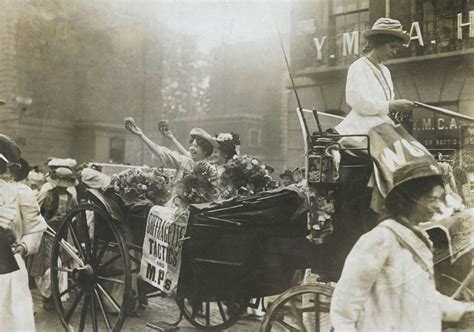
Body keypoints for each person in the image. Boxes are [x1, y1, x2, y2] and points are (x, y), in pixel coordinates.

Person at [330, 161, 473, 331]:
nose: (437, 205)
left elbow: (423, 297)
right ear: (409, 199)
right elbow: (343, 309)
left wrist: (464, 310)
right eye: (431, 199)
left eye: (439, 198)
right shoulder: (380, 240)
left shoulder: (420, 239)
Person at [336, 17, 414, 137]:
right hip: (362, 130)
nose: (395, 51)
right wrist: (391, 105)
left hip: (382, 127)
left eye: (397, 48)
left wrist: (395, 107)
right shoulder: (359, 67)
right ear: (378, 42)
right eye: (392, 46)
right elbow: (359, 103)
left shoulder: (385, 70)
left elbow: (386, 103)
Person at [0, 134, 47, 330]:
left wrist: (24, 246)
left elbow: (35, 227)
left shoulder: (18, 192)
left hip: (7, 265)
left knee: (10, 318)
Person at [124, 117, 218, 204]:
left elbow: (213, 197)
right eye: (191, 145)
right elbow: (161, 152)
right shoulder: (184, 161)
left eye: (196, 146)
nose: (192, 148)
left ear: (206, 150)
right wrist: (141, 135)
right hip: (172, 207)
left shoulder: (211, 170)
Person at [27, 166, 78, 310]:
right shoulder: (47, 194)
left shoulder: (70, 197)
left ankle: (55, 298)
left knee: (61, 266)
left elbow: (75, 214)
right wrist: (45, 222)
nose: (62, 188)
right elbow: (34, 211)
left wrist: (67, 220)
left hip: (62, 234)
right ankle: (47, 296)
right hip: (47, 233)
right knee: (49, 266)